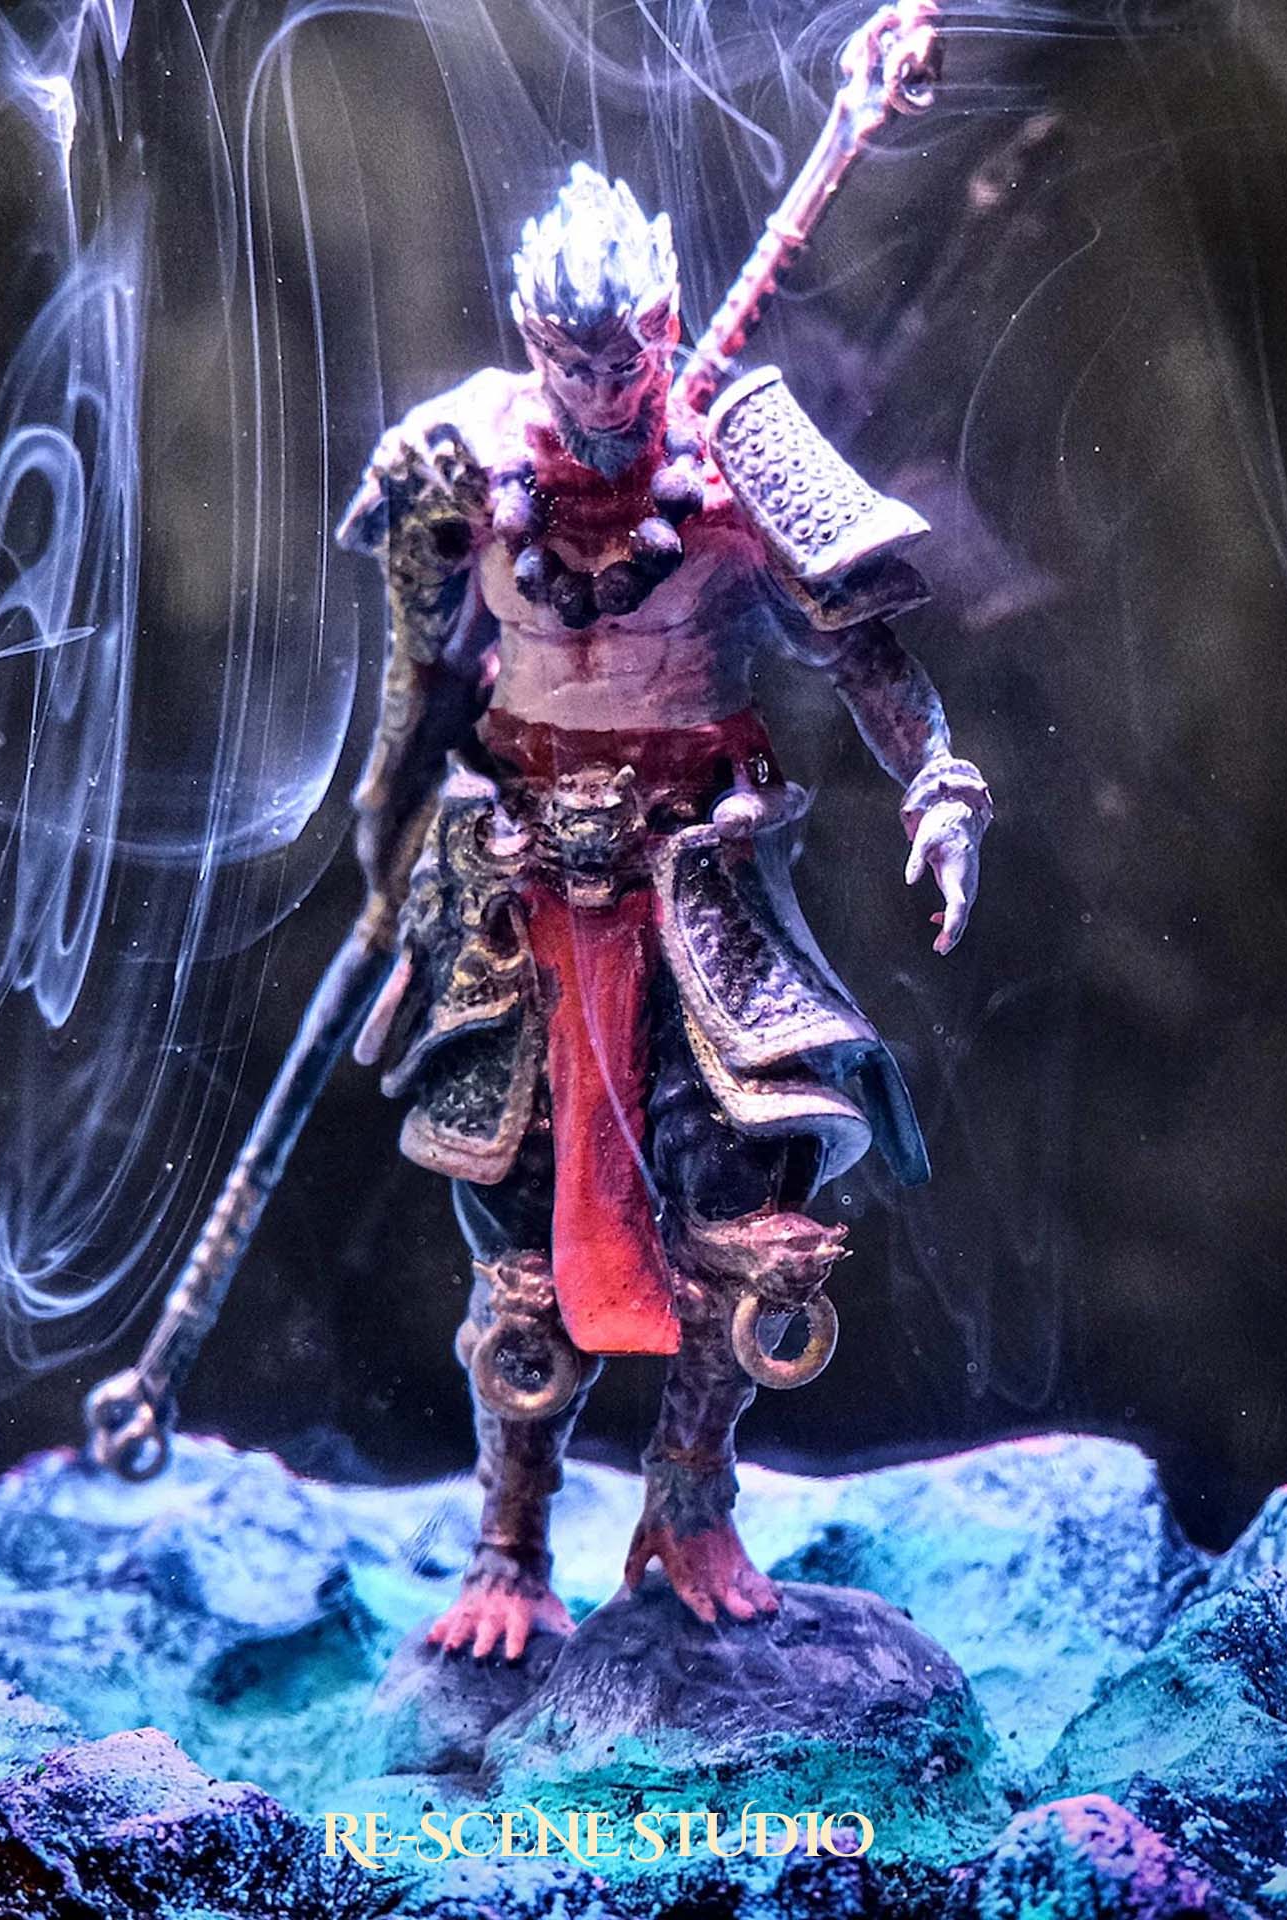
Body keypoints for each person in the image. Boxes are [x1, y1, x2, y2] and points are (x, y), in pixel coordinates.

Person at [336, 163, 991, 1661]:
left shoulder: (740, 452)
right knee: (514, 1236)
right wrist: (386, 870)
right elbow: (420, 687)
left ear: (667, 319)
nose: (601, 389)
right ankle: (509, 1546)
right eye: (570, 361)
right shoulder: (459, 460)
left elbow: (864, 652)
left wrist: (940, 784)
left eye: (623, 354)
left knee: (753, 1212)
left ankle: (692, 1497)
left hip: (698, 889)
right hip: (517, 894)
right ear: (529, 338)